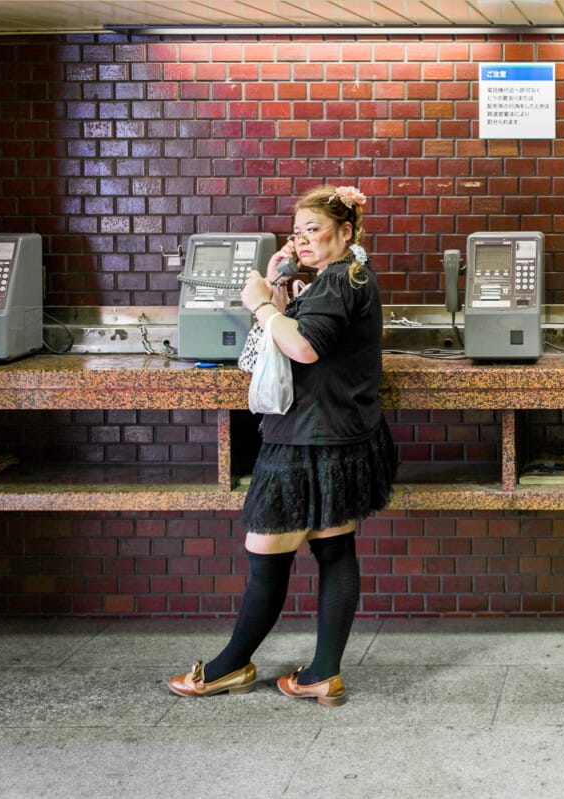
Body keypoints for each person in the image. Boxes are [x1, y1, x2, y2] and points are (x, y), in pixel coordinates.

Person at [169, 184, 397, 707]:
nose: (304, 240)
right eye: (297, 233)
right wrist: (277, 288)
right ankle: (322, 673)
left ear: (346, 232)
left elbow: (304, 347)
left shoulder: (340, 280)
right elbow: (298, 332)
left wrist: (258, 305)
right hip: (337, 433)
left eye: (314, 230)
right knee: (334, 547)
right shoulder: (345, 276)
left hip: (308, 437)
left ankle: (229, 666)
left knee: (266, 552)